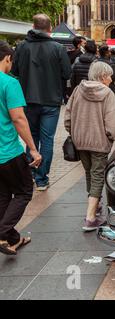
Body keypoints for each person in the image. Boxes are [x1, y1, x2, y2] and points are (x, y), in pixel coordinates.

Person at [11, 14, 71, 191]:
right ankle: (42, 179)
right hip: (51, 101)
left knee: (31, 138)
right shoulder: (58, 48)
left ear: (33, 26)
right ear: (50, 28)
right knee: (47, 140)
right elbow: (67, 73)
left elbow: (14, 71)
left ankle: (29, 174)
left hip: (27, 99)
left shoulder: (22, 47)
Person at [65, 62, 115, 231]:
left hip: (80, 140)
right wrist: (112, 136)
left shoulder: (77, 90)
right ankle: (90, 218)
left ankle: (94, 205)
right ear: (103, 76)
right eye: (109, 75)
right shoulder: (107, 94)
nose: (111, 79)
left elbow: (68, 116)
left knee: (90, 173)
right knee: (98, 175)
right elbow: (112, 122)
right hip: (99, 141)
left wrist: (73, 132)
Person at [0, 41, 42, 255]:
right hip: (7, 151)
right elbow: (18, 118)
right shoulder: (9, 83)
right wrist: (33, 149)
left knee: (4, 195)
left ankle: (11, 238)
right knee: (25, 191)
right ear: (7, 58)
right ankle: (2, 232)